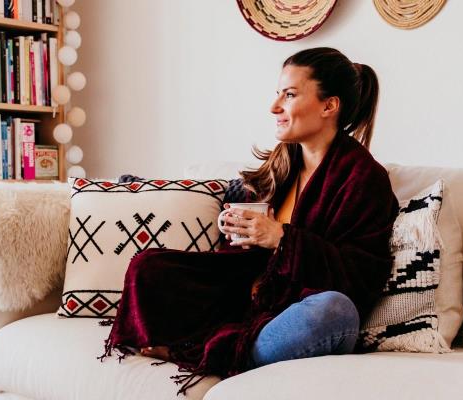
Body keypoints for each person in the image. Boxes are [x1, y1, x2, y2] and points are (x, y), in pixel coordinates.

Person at [100, 47, 399, 394]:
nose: (274, 108)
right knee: (149, 266)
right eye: (277, 94)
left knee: (334, 311)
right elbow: (250, 260)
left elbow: (359, 276)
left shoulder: (363, 178)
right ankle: (214, 345)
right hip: (250, 299)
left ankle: (216, 353)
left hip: (301, 311)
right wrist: (239, 232)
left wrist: (282, 240)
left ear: (328, 106)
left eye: (289, 95)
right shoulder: (282, 163)